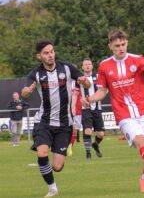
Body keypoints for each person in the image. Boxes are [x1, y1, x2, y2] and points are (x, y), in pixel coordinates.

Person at [82, 29, 144, 193]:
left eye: (123, 44)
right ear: (110, 46)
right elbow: (102, 91)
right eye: (117, 45)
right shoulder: (104, 66)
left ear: (126, 43)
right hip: (124, 114)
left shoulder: (137, 60)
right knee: (141, 142)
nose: (121, 48)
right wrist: (89, 99)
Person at [21, 39, 90, 197]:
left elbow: (86, 84)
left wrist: (83, 81)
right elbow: (24, 92)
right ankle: (52, 188)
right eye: (46, 53)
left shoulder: (66, 68)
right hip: (43, 121)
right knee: (42, 152)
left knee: (57, 166)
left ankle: (57, 155)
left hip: (64, 123)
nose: (51, 55)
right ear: (39, 56)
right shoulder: (36, 73)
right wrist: (27, 90)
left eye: (52, 51)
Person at [75, 58, 105, 160]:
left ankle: (95, 144)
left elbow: (105, 90)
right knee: (87, 130)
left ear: (92, 66)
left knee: (101, 134)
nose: (87, 66)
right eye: (85, 64)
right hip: (86, 108)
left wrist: (100, 96)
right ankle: (88, 154)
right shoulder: (79, 79)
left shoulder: (98, 77)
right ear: (82, 67)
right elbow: (74, 92)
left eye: (89, 64)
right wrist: (80, 99)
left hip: (97, 107)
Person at [68, 81, 83, 157]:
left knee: (75, 130)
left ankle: (70, 146)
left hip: (77, 110)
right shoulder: (64, 80)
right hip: (66, 110)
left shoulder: (79, 81)